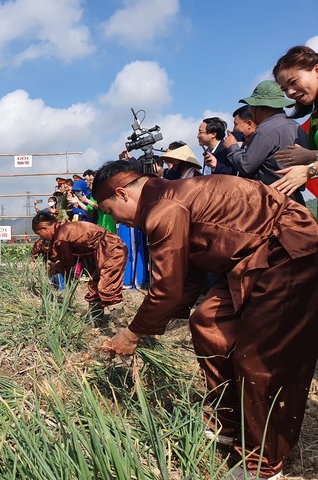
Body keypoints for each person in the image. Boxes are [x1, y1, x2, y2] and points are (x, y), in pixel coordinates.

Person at [92, 160, 318, 480]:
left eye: (111, 211)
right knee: (207, 320)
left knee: (259, 358)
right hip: (253, 255)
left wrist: (133, 333)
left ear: (121, 194)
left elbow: (167, 290)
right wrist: (155, 322)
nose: (119, 222)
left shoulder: (163, 209)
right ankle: (229, 420)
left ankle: (263, 465)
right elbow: (187, 278)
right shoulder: (168, 199)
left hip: (287, 248)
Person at [32, 211, 128, 324]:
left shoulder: (61, 236)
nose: (41, 237)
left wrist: (56, 267)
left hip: (111, 248)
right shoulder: (63, 230)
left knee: (108, 287)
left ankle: (122, 329)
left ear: (45, 229)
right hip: (101, 251)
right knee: (94, 286)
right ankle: (95, 321)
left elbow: (68, 262)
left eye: (39, 234)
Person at [225, 80, 308, 205]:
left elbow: (246, 166)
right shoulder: (296, 127)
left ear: (261, 107)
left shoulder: (266, 129)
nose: (251, 112)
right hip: (296, 201)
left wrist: (233, 147)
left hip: (272, 201)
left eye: (252, 107)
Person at [272, 45, 318, 198]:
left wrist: (309, 170)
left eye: (293, 82)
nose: (290, 92)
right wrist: (310, 156)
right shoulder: (314, 118)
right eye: (284, 89)